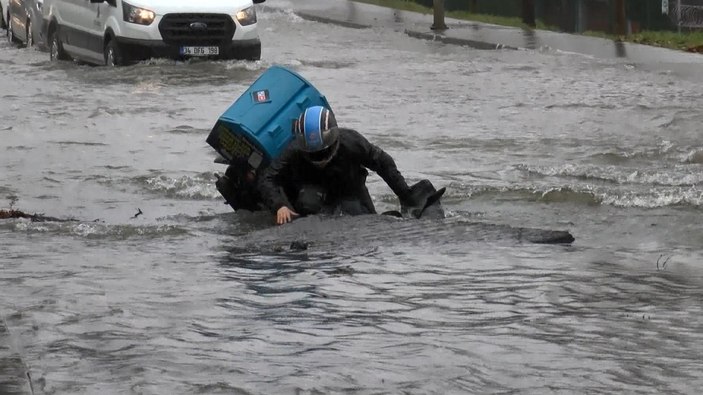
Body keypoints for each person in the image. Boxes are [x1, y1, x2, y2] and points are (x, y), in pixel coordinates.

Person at [258, 105, 416, 225]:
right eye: (312, 153)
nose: (319, 158)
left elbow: (384, 164)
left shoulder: (352, 142)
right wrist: (279, 205)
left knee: (361, 214)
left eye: (322, 152)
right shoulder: (294, 150)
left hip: (351, 191)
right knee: (308, 202)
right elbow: (267, 177)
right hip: (315, 195)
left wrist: (405, 196)